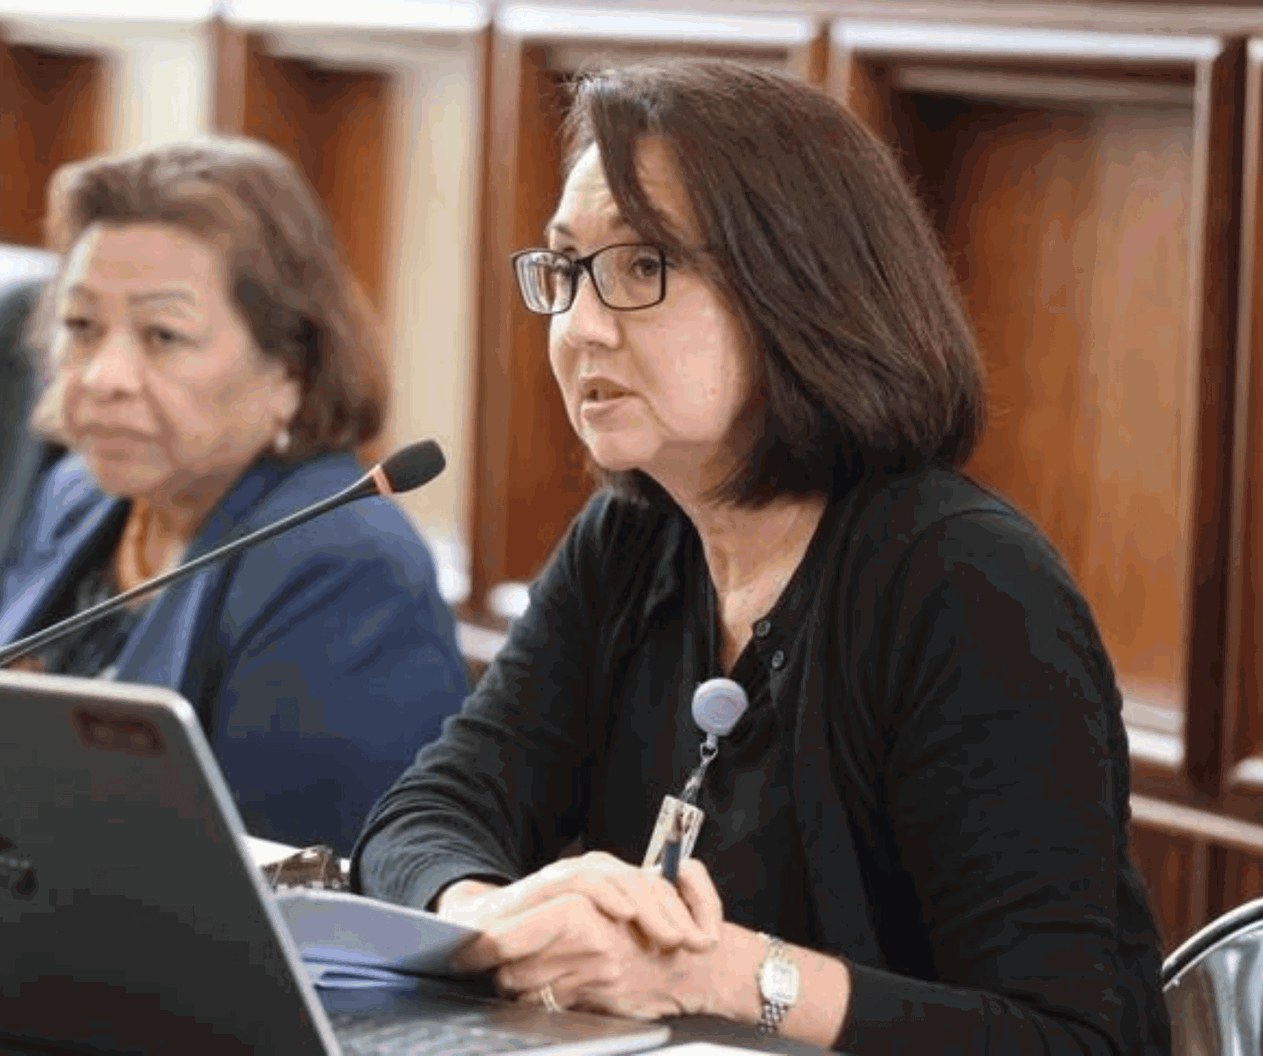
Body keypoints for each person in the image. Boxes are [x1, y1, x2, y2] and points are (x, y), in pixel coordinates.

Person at [352, 59, 1170, 1054]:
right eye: (566, 270)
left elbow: (1074, 1039)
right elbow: (428, 811)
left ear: (800, 285)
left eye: (642, 266)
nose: (580, 327)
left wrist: (732, 976)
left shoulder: (966, 585)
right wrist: (487, 912)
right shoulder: (632, 540)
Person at [0, 137, 471, 854]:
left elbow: (294, 882)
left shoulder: (345, 565)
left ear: (291, 369)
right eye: (82, 327)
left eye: (162, 335)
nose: (103, 377)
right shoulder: (84, 492)